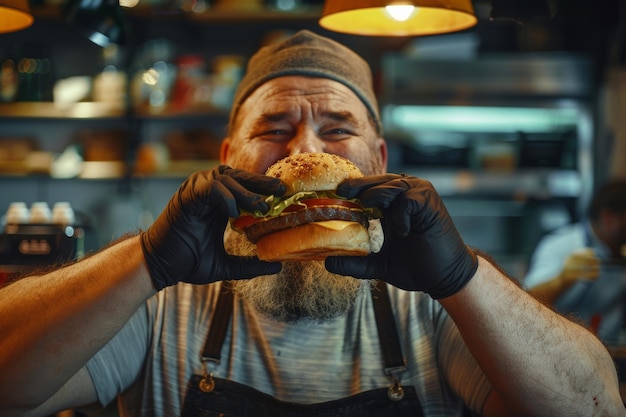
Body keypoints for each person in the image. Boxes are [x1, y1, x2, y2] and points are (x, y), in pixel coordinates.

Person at [0, 30, 623, 417]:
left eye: (338, 128)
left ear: (379, 162)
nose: (303, 149)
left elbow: (593, 408)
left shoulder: (437, 308)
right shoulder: (162, 303)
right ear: (228, 161)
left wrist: (463, 278)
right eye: (272, 129)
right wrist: (146, 260)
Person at [525, 179, 626, 342]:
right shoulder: (560, 245)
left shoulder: (620, 251)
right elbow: (524, 303)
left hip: (612, 356)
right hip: (561, 351)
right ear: (608, 218)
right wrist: (562, 279)